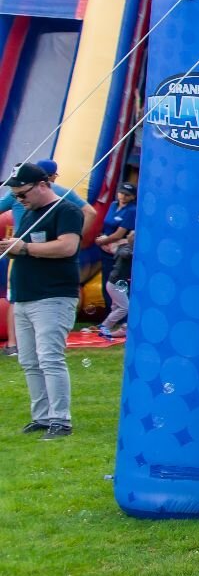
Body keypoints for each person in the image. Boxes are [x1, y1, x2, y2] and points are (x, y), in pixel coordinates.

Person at [4, 161, 85, 439]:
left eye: (22, 194)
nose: (19, 200)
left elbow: (67, 246)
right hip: (25, 297)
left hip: (53, 296)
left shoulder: (66, 210)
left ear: (42, 185)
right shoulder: (29, 213)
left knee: (50, 358)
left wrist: (25, 248)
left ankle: (61, 421)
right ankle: (42, 416)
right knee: (29, 360)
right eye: (15, 196)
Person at [95, 179, 138, 338]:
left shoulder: (131, 211)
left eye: (127, 195)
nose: (123, 196)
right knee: (121, 304)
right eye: (121, 193)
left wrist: (105, 241)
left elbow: (120, 234)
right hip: (111, 254)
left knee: (119, 302)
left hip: (113, 256)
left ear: (133, 197)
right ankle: (107, 325)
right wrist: (104, 240)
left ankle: (117, 325)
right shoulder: (114, 206)